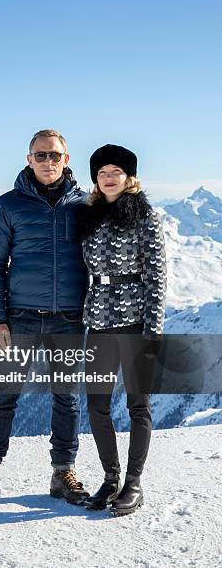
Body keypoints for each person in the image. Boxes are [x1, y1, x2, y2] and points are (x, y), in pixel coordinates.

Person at [0, 129, 90, 508]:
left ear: (66, 159)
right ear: (29, 159)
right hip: (19, 318)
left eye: (55, 155)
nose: (49, 161)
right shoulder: (7, 206)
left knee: (67, 398)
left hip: (70, 318)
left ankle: (63, 474)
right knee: (3, 397)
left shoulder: (85, 206)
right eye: (41, 155)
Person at [81, 144, 167, 516]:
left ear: (129, 177)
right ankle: (110, 477)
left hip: (134, 321)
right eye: (103, 172)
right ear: (96, 180)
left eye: (117, 171)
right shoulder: (89, 216)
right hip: (98, 320)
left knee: (138, 405)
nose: (110, 177)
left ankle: (133, 483)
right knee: (97, 405)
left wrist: (153, 331)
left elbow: (157, 275)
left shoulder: (145, 216)